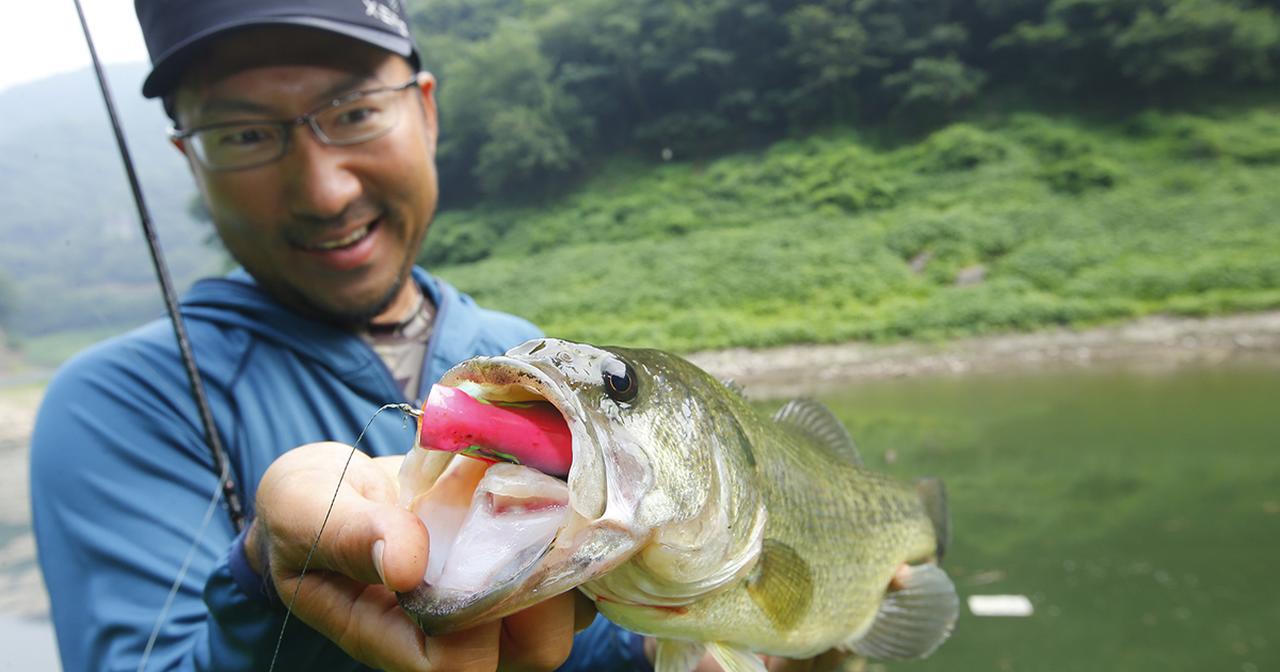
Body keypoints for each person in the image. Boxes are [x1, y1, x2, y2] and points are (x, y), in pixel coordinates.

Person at [31, 2, 842, 671]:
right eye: (244, 134)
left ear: (424, 109)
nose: (324, 190)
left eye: (352, 114)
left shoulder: (518, 347)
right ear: (189, 160)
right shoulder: (112, 406)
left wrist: (768, 643)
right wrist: (265, 581)